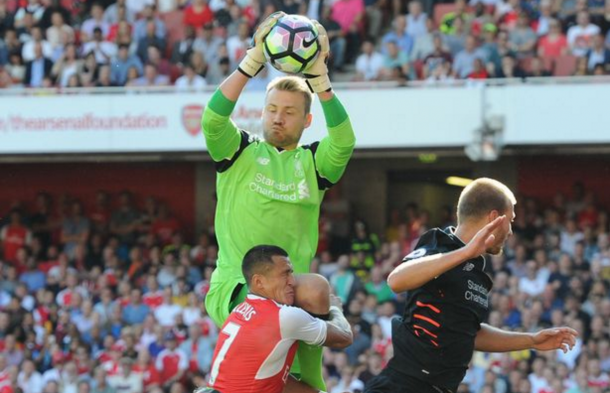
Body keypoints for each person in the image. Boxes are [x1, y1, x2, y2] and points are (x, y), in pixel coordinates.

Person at [201, 11, 356, 392]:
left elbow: (344, 142)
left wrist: (320, 81)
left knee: (294, 388)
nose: (277, 118)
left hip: (291, 295)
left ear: (306, 121)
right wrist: (253, 59)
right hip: (238, 287)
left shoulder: (312, 163)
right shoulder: (240, 153)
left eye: (288, 113)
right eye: (271, 110)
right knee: (318, 289)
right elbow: (212, 121)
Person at [364, 178, 579, 393]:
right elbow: (396, 280)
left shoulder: (477, 271)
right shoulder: (440, 244)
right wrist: (464, 253)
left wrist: (531, 340)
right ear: (494, 218)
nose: (511, 231)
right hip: (404, 384)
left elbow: (470, 333)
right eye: (510, 221)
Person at [200, 245, 353, 393]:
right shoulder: (284, 317)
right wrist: (335, 309)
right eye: (284, 274)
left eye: (291, 273)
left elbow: (274, 381)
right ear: (259, 282)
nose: (292, 281)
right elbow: (344, 338)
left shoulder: (237, 312)